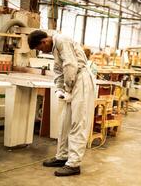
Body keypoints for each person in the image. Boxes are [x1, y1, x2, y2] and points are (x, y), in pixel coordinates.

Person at [28, 30, 95, 177]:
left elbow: (70, 66)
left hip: (81, 81)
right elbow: (59, 70)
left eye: (40, 49)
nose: (41, 51)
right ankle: (62, 156)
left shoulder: (62, 40)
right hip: (72, 83)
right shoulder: (54, 49)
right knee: (65, 122)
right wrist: (59, 89)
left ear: (44, 41)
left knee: (78, 123)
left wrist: (69, 88)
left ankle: (74, 164)